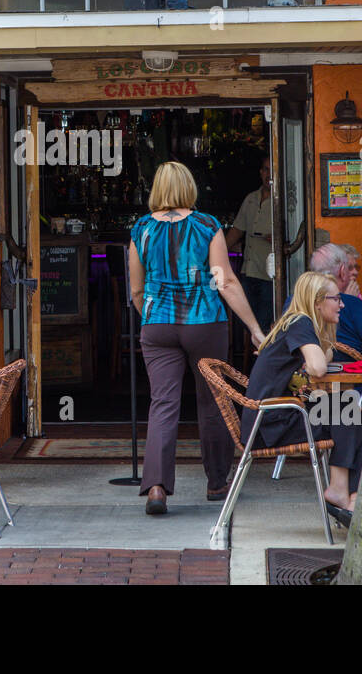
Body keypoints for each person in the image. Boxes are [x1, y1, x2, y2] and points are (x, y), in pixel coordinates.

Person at [129, 161, 266, 515]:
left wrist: (155, 317)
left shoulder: (141, 229)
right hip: (204, 323)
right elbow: (226, 281)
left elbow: (136, 291)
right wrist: (254, 327)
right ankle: (217, 482)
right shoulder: (207, 226)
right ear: (190, 187)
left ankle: (156, 487)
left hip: (157, 325)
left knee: (163, 404)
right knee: (212, 402)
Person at [242, 271, 362, 525]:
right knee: (347, 408)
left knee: (347, 407)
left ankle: (350, 497)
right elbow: (318, 368)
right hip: (269, 424)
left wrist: (326, 348)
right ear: (318, 301)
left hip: (273, 417)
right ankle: (342, 492)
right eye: (336, 299)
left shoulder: (297, 323)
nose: (341, 304)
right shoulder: (300, 322)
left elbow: (311, 370)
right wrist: (323, 352)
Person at [287, 243, 362, 359]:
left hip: (308, 371)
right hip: (352, 374)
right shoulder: (353, 304)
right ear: (342, 272)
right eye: (350, 268)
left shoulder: (293, 301)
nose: (355, 272)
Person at [225, 155, 275, 333]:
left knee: (264, 324)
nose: (270, 174)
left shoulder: (283, 200)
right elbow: (237, 230)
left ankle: (261, 359)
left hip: (270, 275)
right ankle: (250, 358)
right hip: (249, 271)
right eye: (266, 169)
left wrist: (278, 238)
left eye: (273, 170)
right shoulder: (251, 199)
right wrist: (218, 252)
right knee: (245, 325)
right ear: (261, 173)